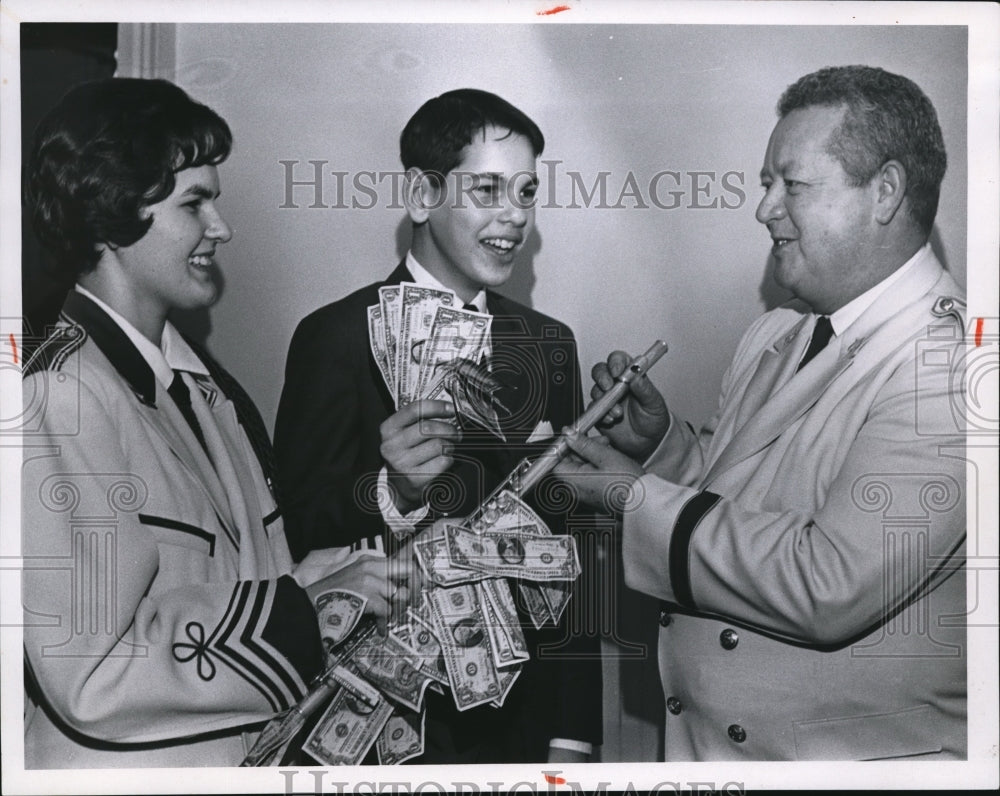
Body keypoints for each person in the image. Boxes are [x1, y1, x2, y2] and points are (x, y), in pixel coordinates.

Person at [556, 65, 967, 760]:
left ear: (886, 192)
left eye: (792, 184)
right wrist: (661, 453)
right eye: (765, 184)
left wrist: (632, 495)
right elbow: (750, 496)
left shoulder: (953, 369)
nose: (765, 208)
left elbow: (828, 583)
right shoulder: (777, 333)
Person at [21, 78, 407, 768]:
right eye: (193, 203)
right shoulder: (62, 394)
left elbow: (229, 579)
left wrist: (317, 579)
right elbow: (90, 670)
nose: (221, 228)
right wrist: (301, 610)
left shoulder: (204, 391)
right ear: (112, 216)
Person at [274, 88, 602, 763]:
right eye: (487, 190)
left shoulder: (549, 345)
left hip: (523, 728)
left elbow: (571, 558)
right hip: (382, 729)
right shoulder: (334, 338)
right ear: (422, 196)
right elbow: (297, 534)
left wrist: (573, 735)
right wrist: (393, 492)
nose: (514, 217)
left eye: (526, 192)